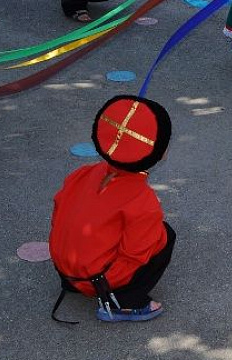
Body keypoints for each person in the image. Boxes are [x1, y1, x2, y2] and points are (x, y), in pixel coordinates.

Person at [49, 95, 175, 323]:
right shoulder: (143, 202)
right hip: (94, 280)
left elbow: (58, 217)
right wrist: (102, 282)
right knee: (164, 236)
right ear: (158, 154)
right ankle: (124, 302)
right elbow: (134, 258)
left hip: (65, 268)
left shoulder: (83, 173)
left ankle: (74, 283)